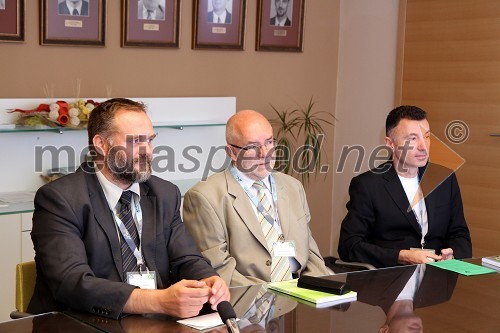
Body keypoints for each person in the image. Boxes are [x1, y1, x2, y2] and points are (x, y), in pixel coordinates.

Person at [28, 98, 229, 319]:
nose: (147, 152)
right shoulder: (60, 199)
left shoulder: (164, 193)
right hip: (83, 322)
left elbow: (186, 258)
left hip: (155, 322)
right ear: (102, 145)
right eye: (135, 141)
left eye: (150, 140)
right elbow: (71, 282)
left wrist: (208, 280)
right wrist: (156, 301)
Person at [183, 110, 330, 287]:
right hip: (250, 299)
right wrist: (269, 297)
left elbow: (309, 250)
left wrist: (321, 288)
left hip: (298, 294)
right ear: (231, 152)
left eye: (269, 142)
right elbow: (219, 268)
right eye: (252, 146)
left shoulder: (292, 187)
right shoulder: (204, 196)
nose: (264, 153)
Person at [338, 105, 472, 268]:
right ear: (390, 143)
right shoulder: (368, 185)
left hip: (438, 277)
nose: (423, 146)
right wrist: (402, 256)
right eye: (412, 138)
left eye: (427, 137)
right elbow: (349, 246)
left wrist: (454, 254)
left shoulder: (445, 179)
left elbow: (460, 234)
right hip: (390, 279)